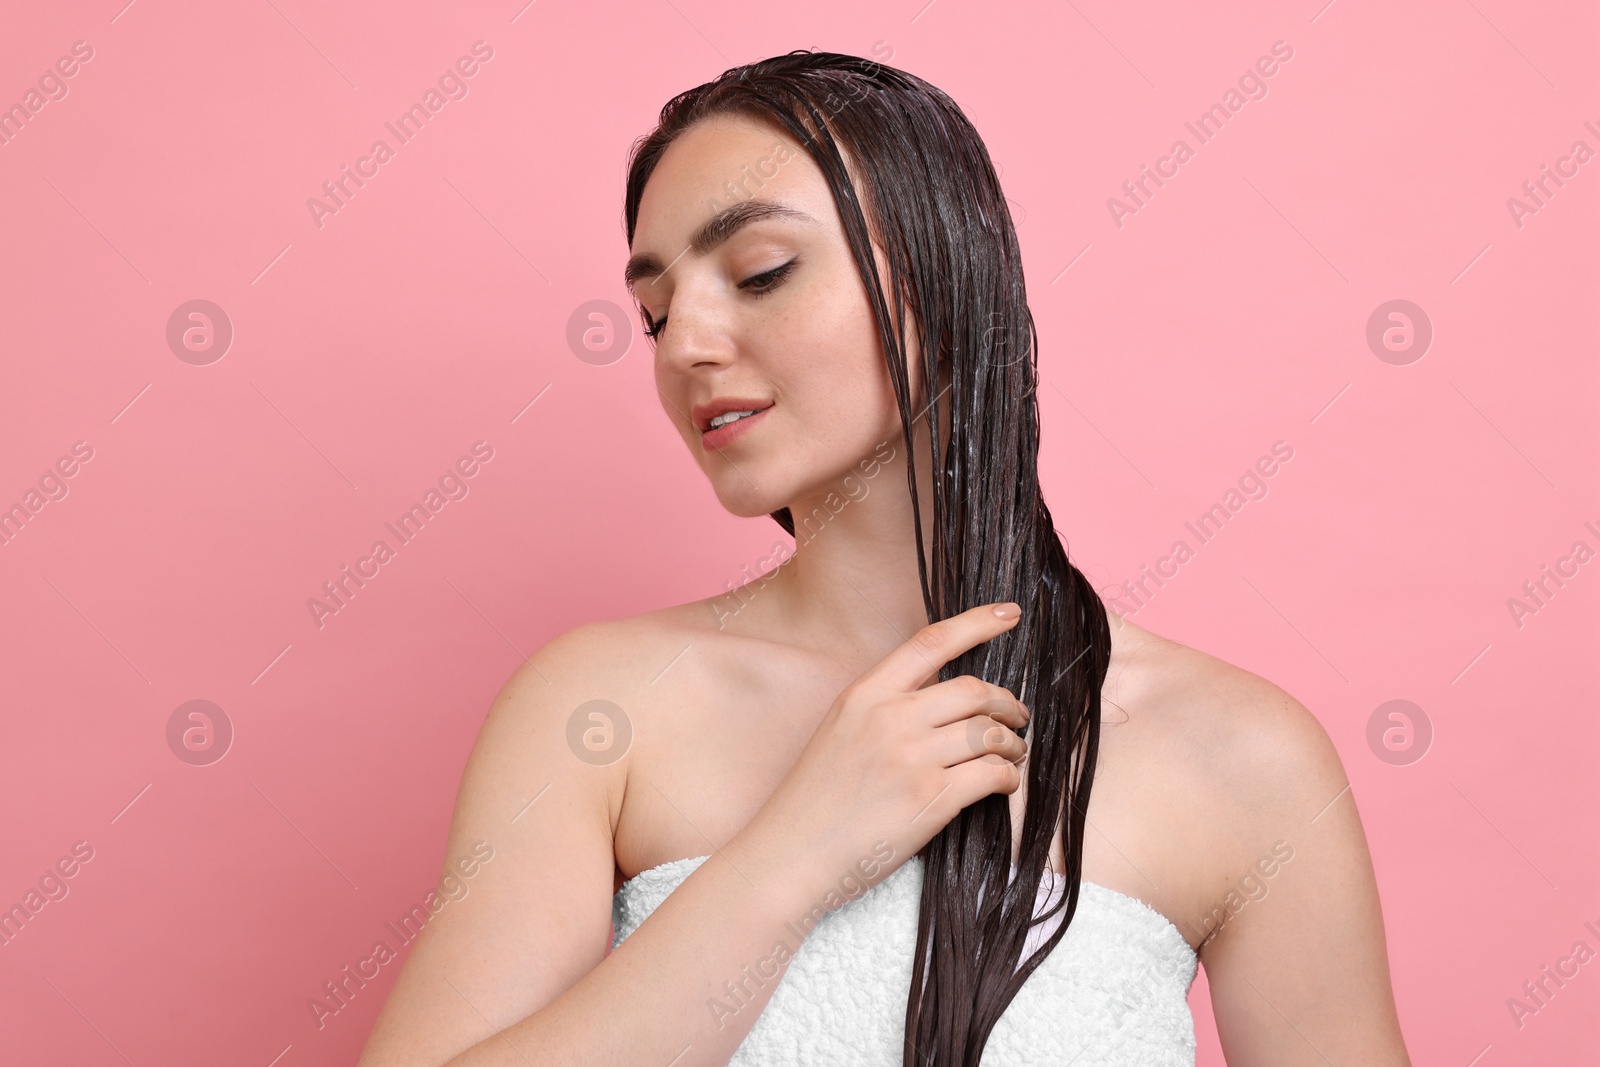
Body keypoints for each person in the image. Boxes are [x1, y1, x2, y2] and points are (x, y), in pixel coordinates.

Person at [356, 51, 1412, 1066]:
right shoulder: (599, 708)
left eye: (760, 271)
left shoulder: (1242, 755)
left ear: (942, 270)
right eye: (655, 311)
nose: (683, 345)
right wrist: (793, 855)